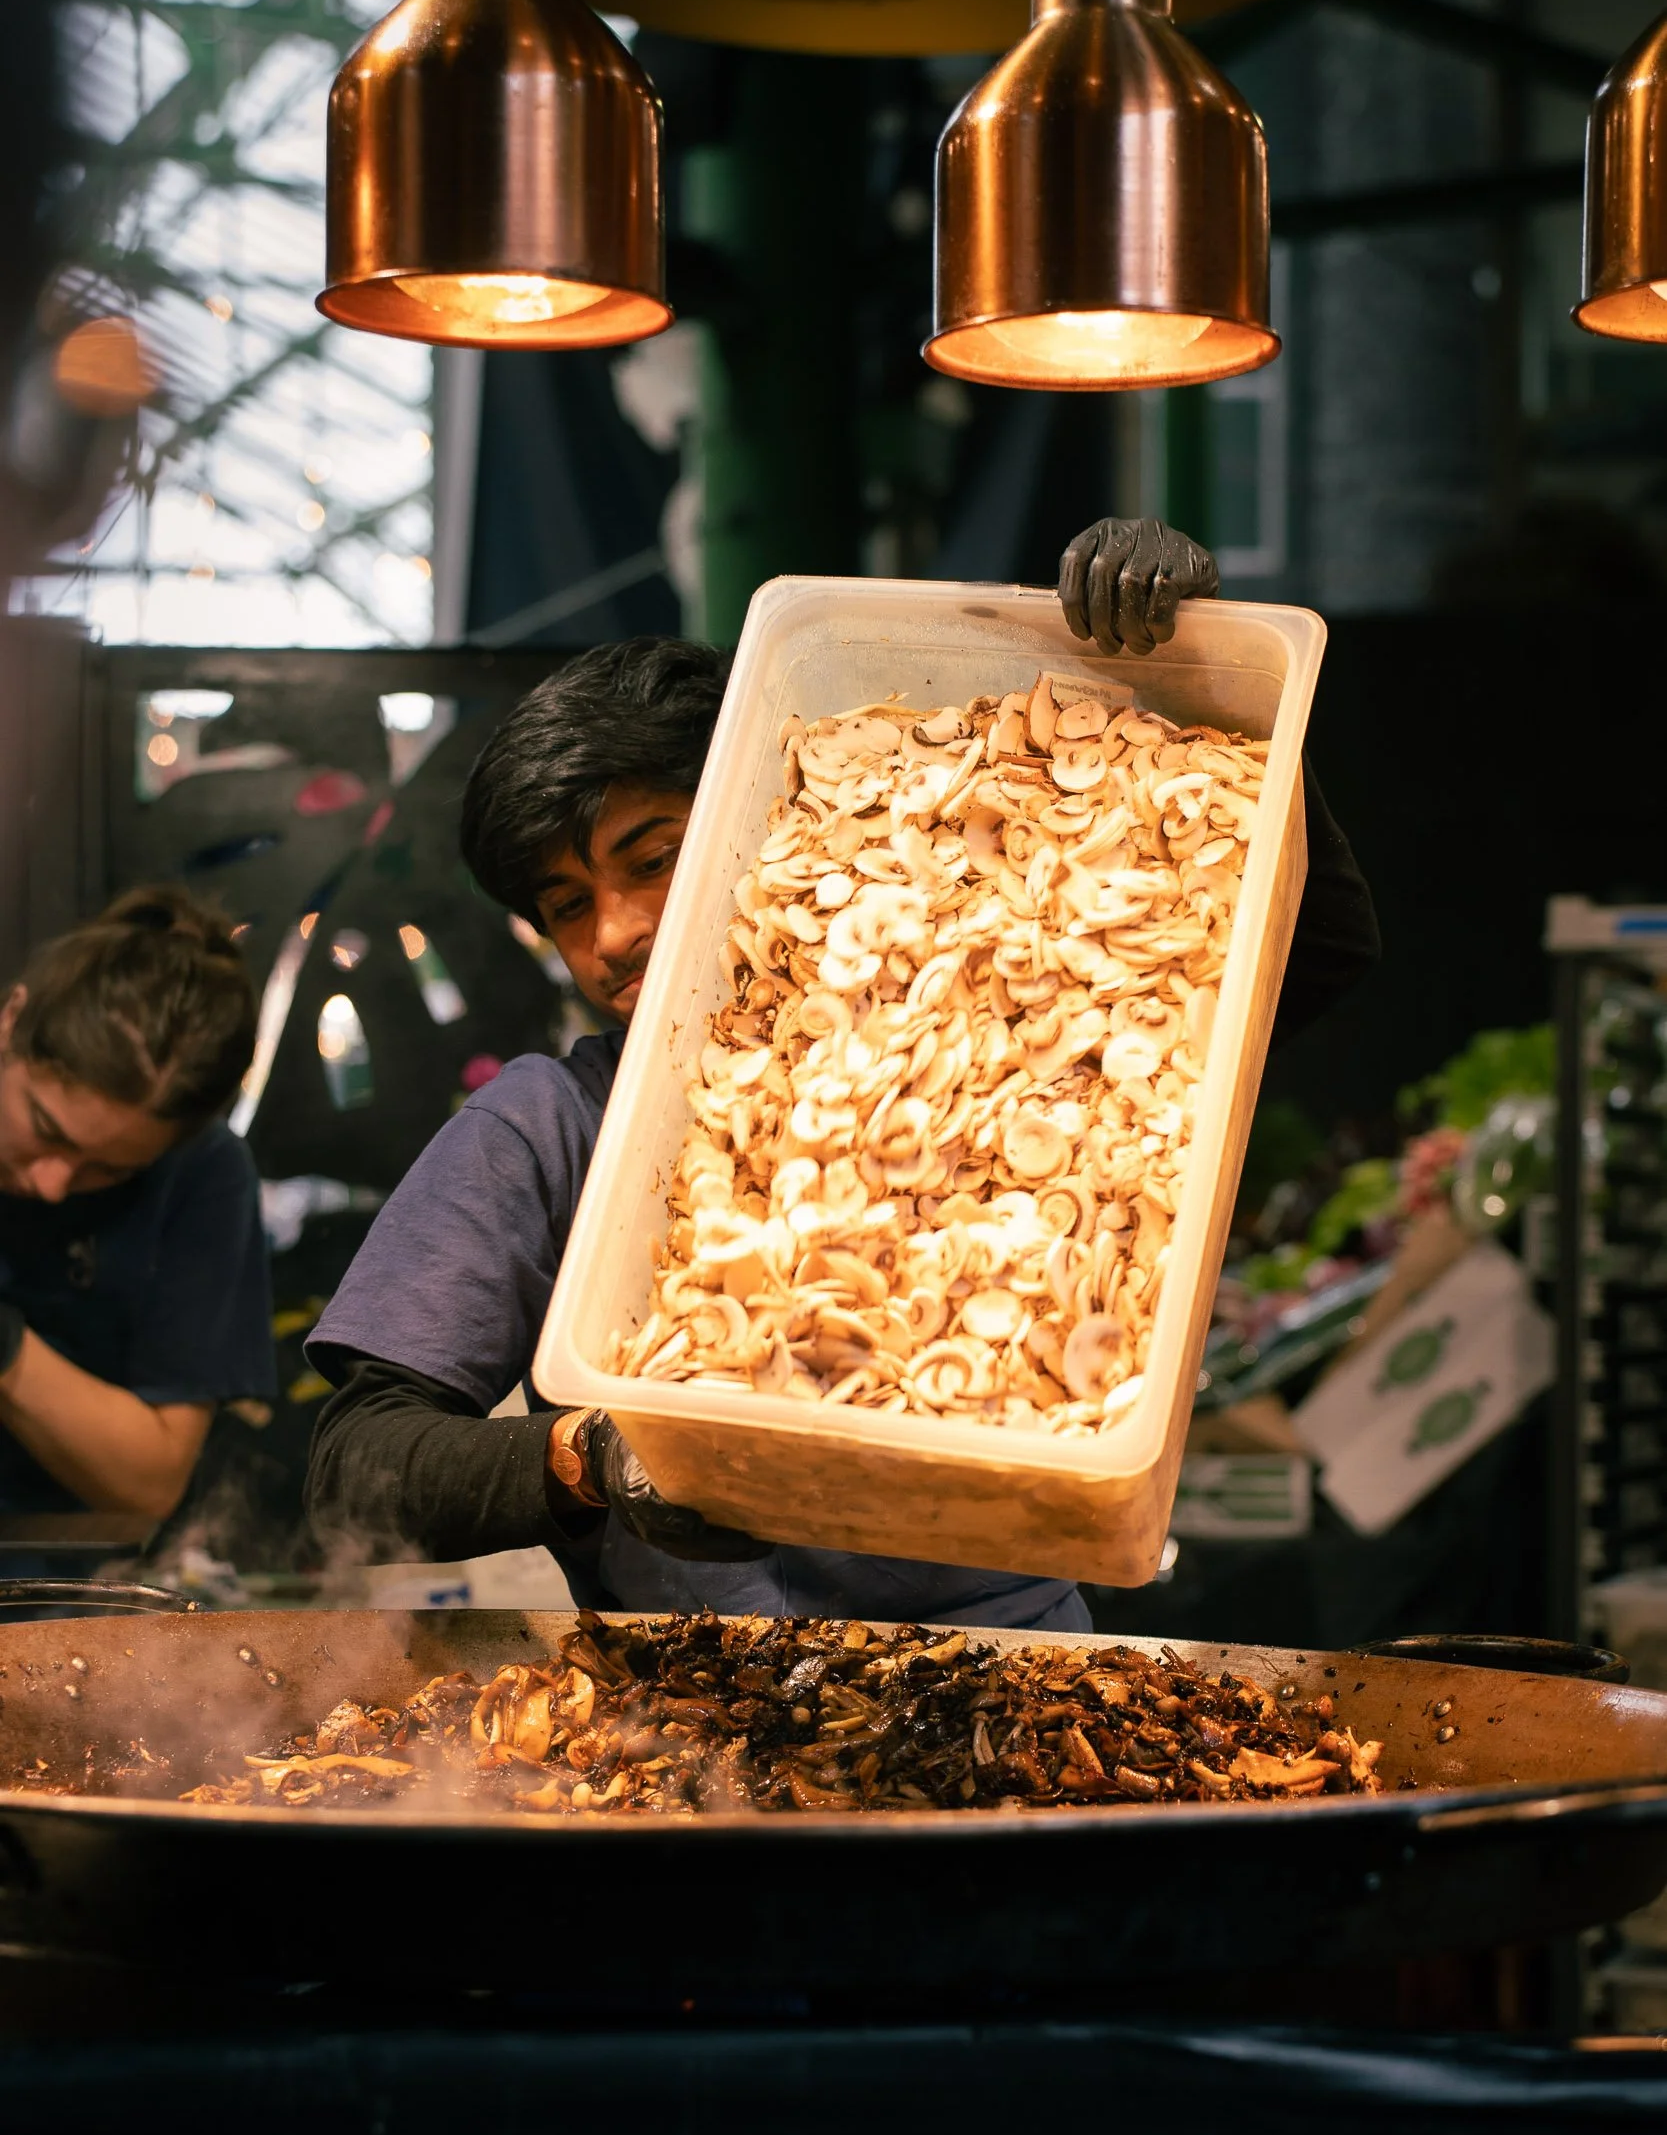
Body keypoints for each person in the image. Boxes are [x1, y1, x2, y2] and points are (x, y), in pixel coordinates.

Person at [306, 517, 1380, 1629]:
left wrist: (1183, 671)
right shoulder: (548, 1127)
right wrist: (596, 1457)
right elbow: (354, 1465)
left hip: (1008, 1686)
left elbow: (1322, 951)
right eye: (566, 904)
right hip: (684, 1731)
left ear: (764, 813)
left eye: (652, 858)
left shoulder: (1015, 1031)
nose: (614, 934)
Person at [0, 889, 274, 1522]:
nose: (52, 1184)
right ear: (11, 1019)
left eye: (111, 1169)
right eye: (46, 1127)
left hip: (75, 1580)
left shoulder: (204, 1175)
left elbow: (149, 1482)